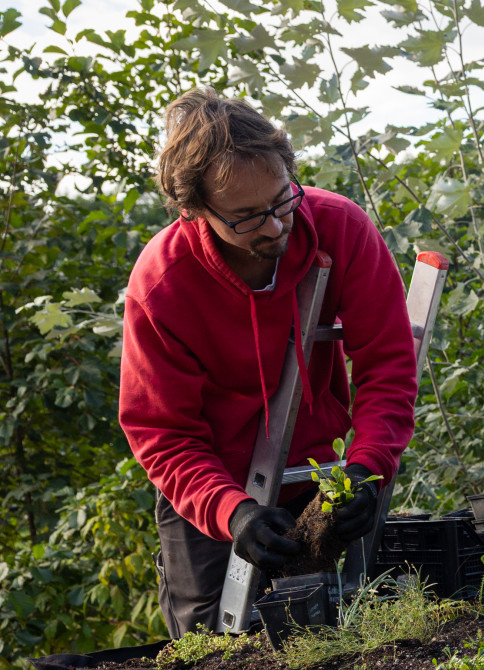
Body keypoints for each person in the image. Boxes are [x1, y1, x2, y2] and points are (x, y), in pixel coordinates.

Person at [120, 88, 418, 636]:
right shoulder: (164, 283)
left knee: (345, 636)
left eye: (283, 200)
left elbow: (388, 368)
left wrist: (367, 468)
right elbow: (162, 432)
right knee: (213, 644)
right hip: (210, 491)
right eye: (246, 217)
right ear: (194, 209)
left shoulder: (341, 229)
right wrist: (233, 513)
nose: (276, 226)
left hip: (317, 473)